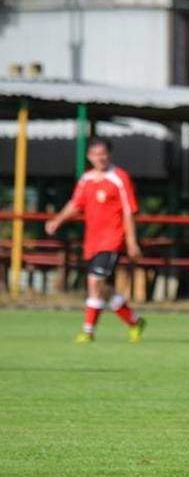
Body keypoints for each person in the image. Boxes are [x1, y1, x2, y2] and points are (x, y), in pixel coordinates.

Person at [45, 136, 146, 344]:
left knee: (94, 282)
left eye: (104, 154)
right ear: (89, 156)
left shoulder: (120, 178)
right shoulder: (87, 179)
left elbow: (129, 212)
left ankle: (88, 330)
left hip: (113, 239)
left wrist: (132, 242)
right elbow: (76, 204)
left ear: (110, 155)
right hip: (92, 241)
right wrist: (58, 220)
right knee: (102, 287)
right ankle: (134, 322)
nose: (100, 158)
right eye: (96, 154)